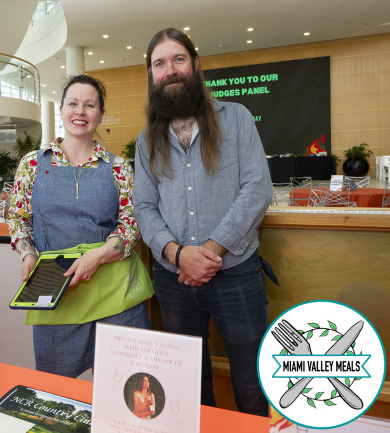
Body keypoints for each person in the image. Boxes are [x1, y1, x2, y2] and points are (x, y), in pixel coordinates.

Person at [133, 28, 272, 417]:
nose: (170, 70)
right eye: (159, 64)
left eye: (178, 59)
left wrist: (208, 252)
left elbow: (257, 190)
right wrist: (179, 255)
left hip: (236, 274)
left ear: (195, 64)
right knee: (189, 387)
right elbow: (143, 206)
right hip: (174, 282)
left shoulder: (237, 118)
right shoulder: (146, 141)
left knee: (252, 384)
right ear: (152, 75)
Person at [7, 74, 154, 379]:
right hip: (56, 288)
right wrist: (28, 254)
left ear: (100, 114)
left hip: (116, 291)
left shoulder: (118, 167)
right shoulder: (33, 163)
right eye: (73, 103)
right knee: (55, 388)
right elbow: (19, 220)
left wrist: (97, 257)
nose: (80, 111)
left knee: (126, 385)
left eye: (90, 105)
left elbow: (131, 225)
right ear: (61, 109)